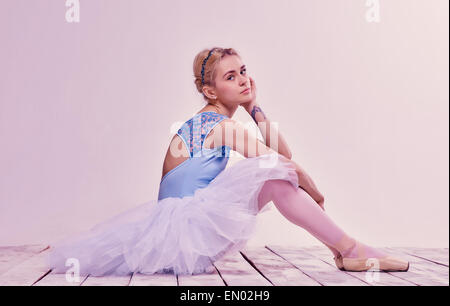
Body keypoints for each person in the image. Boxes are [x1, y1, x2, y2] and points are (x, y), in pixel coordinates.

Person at [46, 47, 409, 277]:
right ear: (209, 90)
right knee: (275, 176)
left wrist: (254, 108)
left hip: (184, 231)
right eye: (230, 76)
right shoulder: (218, 126)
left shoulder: (213, 119)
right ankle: (350, 250)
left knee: (275, 173)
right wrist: (316, 191)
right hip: (187, 234)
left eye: (244, 71)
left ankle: (345, 251)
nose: (243, 79)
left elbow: (284, 154)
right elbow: (285, 165)